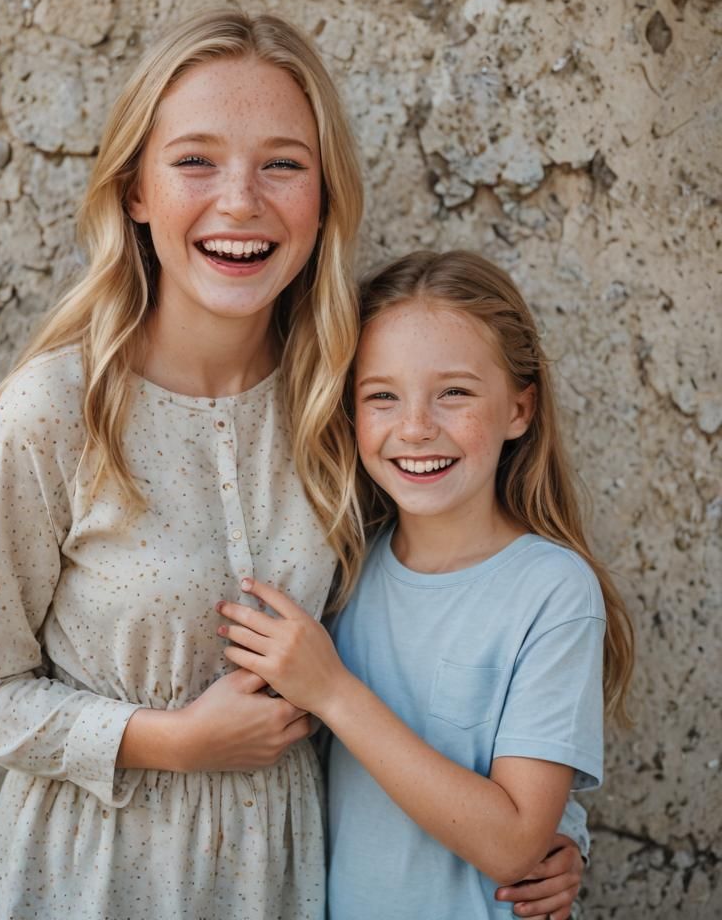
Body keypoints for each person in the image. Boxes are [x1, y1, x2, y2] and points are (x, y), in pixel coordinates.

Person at [0, 10, 588, 919]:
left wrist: (548, 837)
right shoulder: (56, 412)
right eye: (195, 160)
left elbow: (430, 637)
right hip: (90, 876)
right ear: (135, 191)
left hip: (280, 879)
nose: (240, 200)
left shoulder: (348, 400)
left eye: (282, 164)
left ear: (322, 200)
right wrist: (169, 741)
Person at [217, 249, 635, 920]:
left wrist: (332, 692)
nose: (415, 427)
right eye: (382, 396)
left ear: (520, 409)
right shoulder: (342, 572)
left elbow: (512, 845)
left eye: (455, 393)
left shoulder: (553, 592)